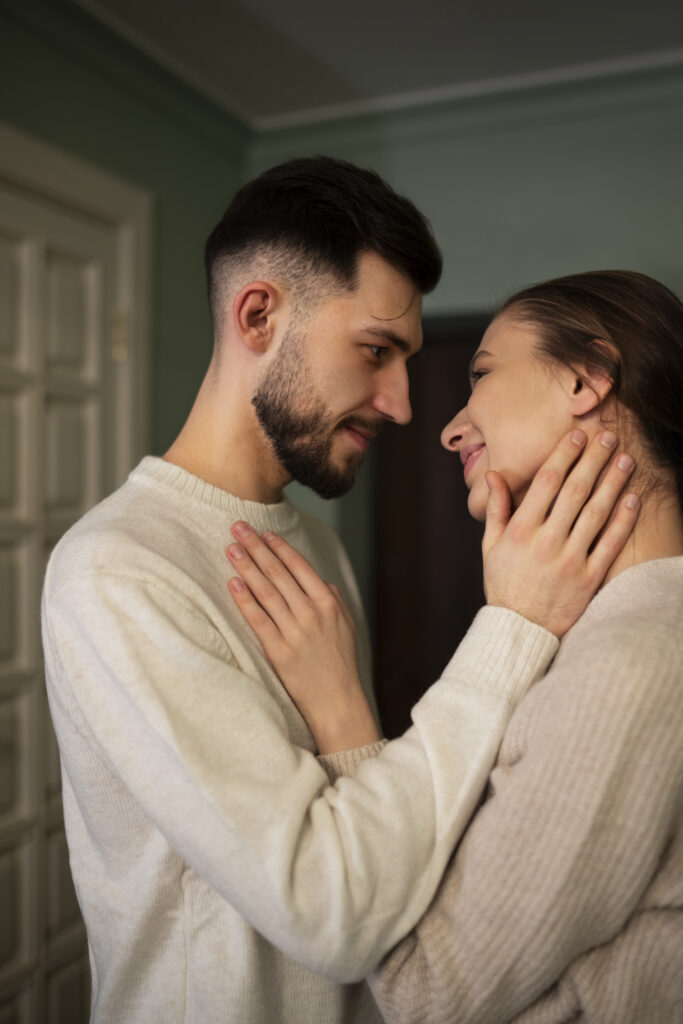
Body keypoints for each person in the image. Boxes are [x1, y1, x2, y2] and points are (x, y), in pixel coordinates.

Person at [42, 155, 637, 1024]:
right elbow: (331, 913)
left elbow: (364, 829)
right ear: (258, 316)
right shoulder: (119, 571)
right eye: (373, 351)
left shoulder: (314, 541)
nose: (400, 405)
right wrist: (511, 624)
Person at [227, 269, 683, 1023]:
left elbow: (427, 993)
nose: (449, 426)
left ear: (584, 380)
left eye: (481, 374)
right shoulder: (618, 636)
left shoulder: (628, 664)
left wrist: (345, 716)